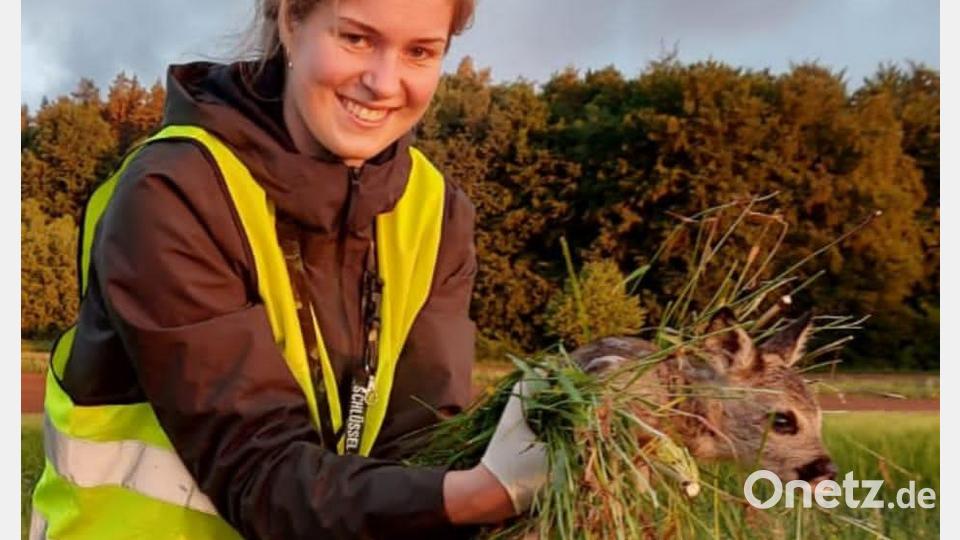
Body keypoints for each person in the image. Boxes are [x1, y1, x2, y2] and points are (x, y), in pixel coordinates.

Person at [29, 0, 548, 538]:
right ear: (291, 20)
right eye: (356, 39)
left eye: (420, 52)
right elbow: (257, 470)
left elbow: (420, 443)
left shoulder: (437, 212)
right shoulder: (174, 190)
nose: (384, 82)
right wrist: (481, 495)